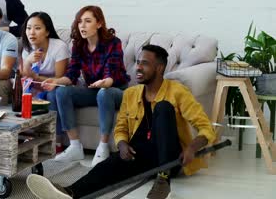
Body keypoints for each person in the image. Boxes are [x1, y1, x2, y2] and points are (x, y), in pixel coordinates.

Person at [26, 45, 216, 199]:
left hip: (170, 159)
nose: (138, 67)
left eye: (145, 64)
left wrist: (191, 148)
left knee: (163, 108)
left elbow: (206, 128)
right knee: (107, 166)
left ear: (159, 68)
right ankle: (69, 193)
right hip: (140, 155)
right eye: (138, 62)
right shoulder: (132, 93)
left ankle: (163, 180)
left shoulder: (177, 91)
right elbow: (121, 128)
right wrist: (123, 143)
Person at [42, 5, 130, 167]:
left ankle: (103, 147)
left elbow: (112, 73)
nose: (82, 25)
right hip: (93, 90)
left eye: (87, 21)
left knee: (104, 93)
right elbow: (71, 75)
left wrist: (105, 82)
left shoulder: (113, 43)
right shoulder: (78, 45)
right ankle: (75, 146)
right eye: (80, 22)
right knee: (62, 92)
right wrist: (55, 81)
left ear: (99, 24)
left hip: (115, 91)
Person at [21, 12, 70, 152]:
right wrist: (28, 62)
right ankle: (28, 136)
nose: (32, 32)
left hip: (59, 84)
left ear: (47, 31)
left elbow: (58, 76)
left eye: (37, 28)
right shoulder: (27, 48)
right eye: (29, 28)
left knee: (52, 95)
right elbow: (26, 74)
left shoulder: (59, 46)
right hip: (37, 85)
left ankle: (57, 140)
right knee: (24, 93)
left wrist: (35, 77)